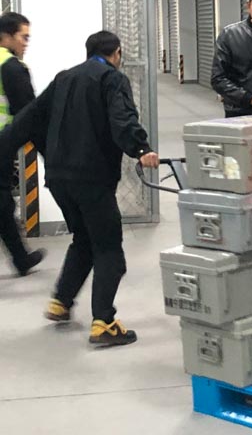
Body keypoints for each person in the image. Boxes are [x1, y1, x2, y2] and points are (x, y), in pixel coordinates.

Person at [0, 31, 159, 346]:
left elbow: (27, 118)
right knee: (110, 249)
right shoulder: (112, 79)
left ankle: (60, 301)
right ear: (117, 53)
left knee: (84, 239)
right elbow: (122, 118)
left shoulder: (64, 78)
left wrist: (3, 147)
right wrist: (141, 149)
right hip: (92, 179)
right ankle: (104, 322)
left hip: (59, 179)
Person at [0, 12, 44, 276]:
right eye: (23, 37)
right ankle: (20, 258)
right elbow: (29, 113)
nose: (26, 43)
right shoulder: (11, 67)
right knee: (2, 203)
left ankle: (21, 258)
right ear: (7, 36)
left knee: (3, 205)